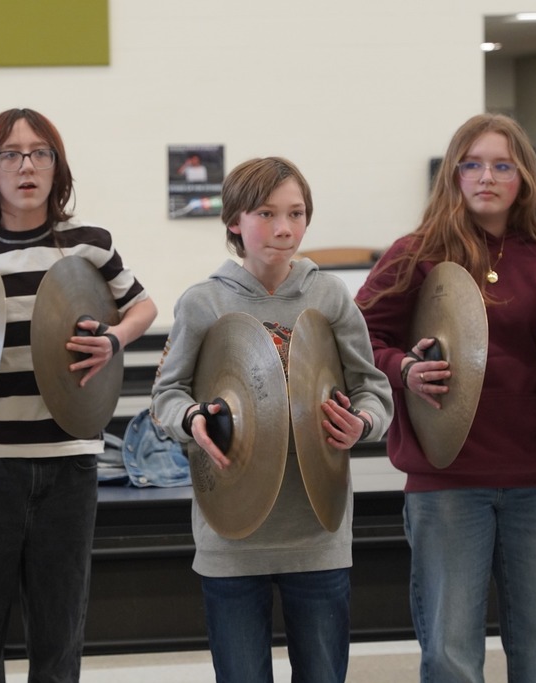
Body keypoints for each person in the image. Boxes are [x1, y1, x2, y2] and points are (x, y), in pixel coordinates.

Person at [356, 113, 536, 682]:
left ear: (523, 177)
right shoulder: (415, 254)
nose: (487, 177)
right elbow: (356, 340)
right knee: (451, 653)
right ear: (453, 175)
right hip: (447, 482)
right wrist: (401, 368)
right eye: (472, 164)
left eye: (502, 165)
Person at [0, 107, 157, 683]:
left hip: (67, 464)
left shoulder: (91, 246)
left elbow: (142, 305)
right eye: (12, 154)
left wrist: (116, 340)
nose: (28, 165)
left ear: (57, 167)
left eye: (41, 152)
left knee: (58, 636)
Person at [151, 156, 393, 683]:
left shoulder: (329, 297)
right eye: (266, 213)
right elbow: (165, 397)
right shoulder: (203, 301)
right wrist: (189, 417)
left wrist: (365, 423)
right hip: (232, 539)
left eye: (297, 213)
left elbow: (372, 388)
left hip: (318, 533)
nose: (284, 228)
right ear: (235, 221)